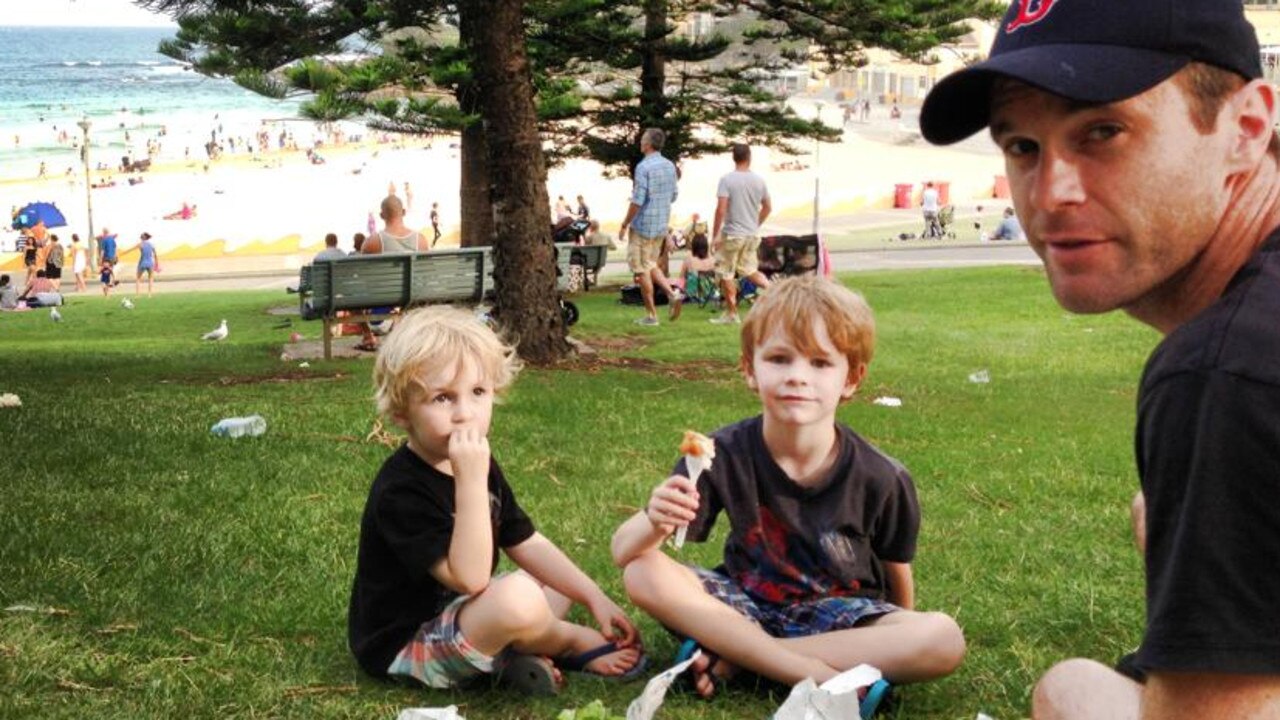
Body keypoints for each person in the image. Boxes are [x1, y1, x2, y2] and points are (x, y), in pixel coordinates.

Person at [919, 1, 1280, 718]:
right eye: (1022, 146)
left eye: (1104, 132)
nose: (1052, 194)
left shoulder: (1224, 370)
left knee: (1072, 689)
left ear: (1244, 129)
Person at [612, 276, 964, 699]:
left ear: (851, 378)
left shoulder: (883, 477)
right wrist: (654, 518)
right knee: (643, 570)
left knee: (942, 637)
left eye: (820, 363)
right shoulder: (718, 454)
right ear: (749, 369)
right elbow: (623, 553)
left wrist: (899, 641)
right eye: (779, 359)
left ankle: (742, 660)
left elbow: (896, 579)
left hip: (837, 616)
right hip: (741, 606)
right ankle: (799, 668)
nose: (798, 376)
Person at [348, 306, 646, 694]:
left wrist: (593, 596)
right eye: (442, 398)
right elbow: (470, 579)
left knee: (545, 580)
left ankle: (512, 656)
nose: (465, 414)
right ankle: (566, 642)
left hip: (464, 620)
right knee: (518, 598)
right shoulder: (400, 490)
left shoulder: (479, 463)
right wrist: (470, 481)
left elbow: (524, 540)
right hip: (408, 646)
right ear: (402, 412)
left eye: (477, 392)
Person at [619, 128, 682, 326]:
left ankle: (651, 316)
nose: (640, 143)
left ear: (647, 145)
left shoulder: (643, 167)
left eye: (642, 140)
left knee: (640, 270)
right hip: (661, 226)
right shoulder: (670, 166)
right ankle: (672, 294)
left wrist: (624, 223)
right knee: (650, 264)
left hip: (643, 226)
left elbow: (638, 200)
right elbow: (674, 195)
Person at [356, 195, 431, 351]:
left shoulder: (372, 243)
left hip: (381, 308)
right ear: (403, 212)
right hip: (412, 303)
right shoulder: (421, 241)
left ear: (382, 216)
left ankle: (368, 335)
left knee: (351, 291)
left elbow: (362, 278)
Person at [710, 143, 773, 324]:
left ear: (733, 158)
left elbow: (721, 210)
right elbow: (768, 207)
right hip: (751, 235)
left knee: (726, 273)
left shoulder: (727, 180)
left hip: (732, 235)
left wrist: (715, 235)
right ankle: (775, 291)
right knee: (750, 271)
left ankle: (732, 314)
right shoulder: (759, 181)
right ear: (749, 157)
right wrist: (755, 223)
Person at [678, 233, 716, 304]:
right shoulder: (713, 261)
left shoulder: (688, 260)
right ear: (706, 246)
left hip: (692, 296)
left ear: (693, 246)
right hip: (710, 295)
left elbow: (681, 279)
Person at [128, 232, 159, 298]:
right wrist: (157, 264)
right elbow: (155, 255)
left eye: (141, 236)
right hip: (150, 263)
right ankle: (149, 294)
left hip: (142, 263)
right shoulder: (151, 244)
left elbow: (131, 250)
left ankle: (137, 295)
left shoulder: (140, 244)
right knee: (150, 278)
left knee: (138, 279)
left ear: (144, 237)